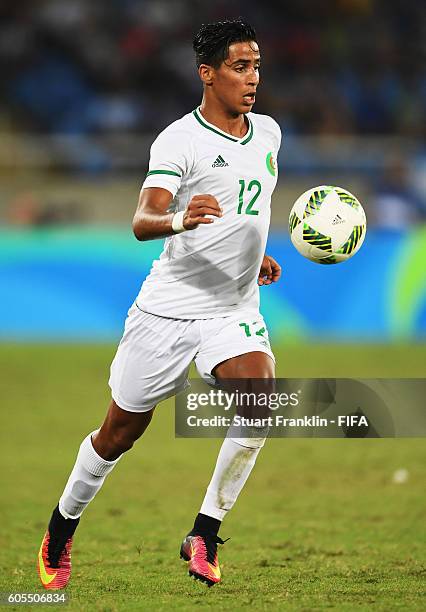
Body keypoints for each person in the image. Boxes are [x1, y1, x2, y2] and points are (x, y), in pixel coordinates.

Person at [37, 18, 282, 589]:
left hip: (233, 307)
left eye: (257, 67)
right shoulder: (179, 141)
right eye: (239, 67)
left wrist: (254, 256)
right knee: (118, 433)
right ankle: (62, 524)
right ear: (207, 73)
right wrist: (179, 217)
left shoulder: (269, 133)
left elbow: (247, 207)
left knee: (261, 405)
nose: (252, 79)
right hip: (167, 311)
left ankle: (205, 533)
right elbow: (143, 219)